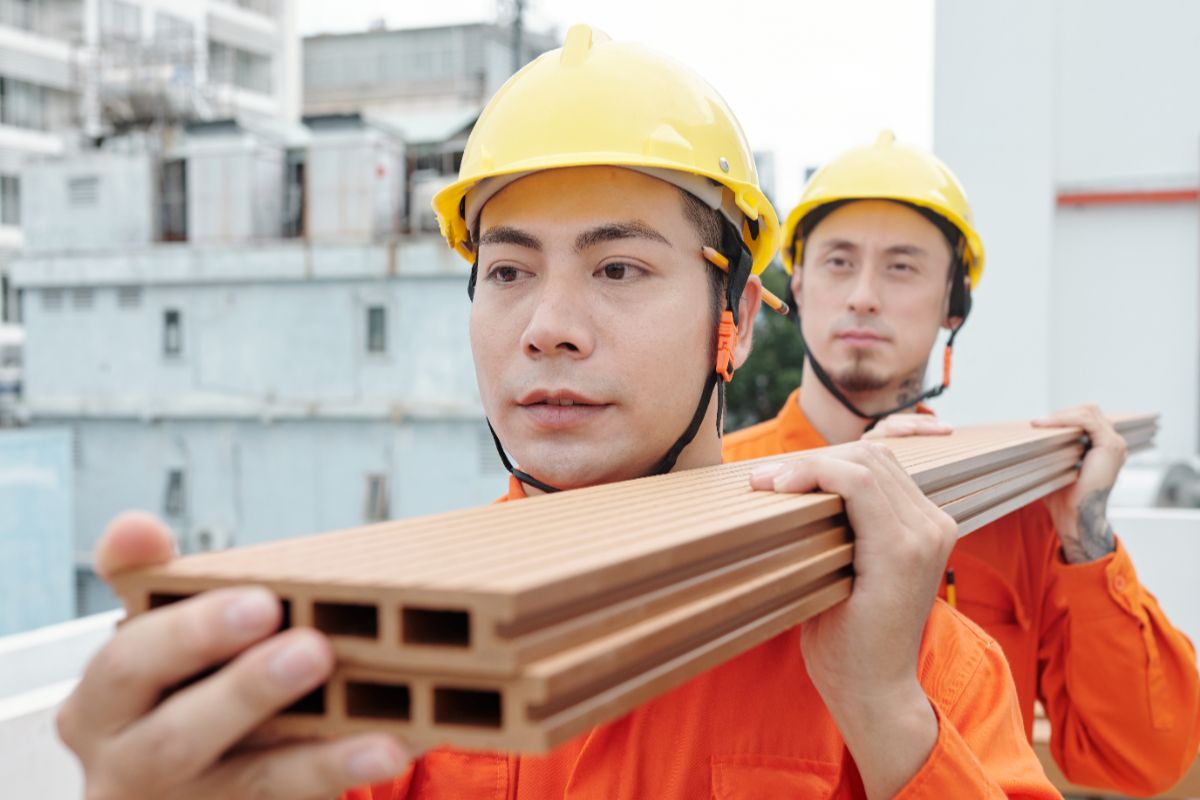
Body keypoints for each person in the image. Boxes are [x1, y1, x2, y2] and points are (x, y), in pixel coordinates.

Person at [57, 29, 1058, 800]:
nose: (548, 329)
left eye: (618, 268)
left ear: (739, 318)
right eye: (508, 271)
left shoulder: (909, 660)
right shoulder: (382, 647)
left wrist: (886, 716)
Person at [724, 131, 1200, 795]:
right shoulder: (716, 486)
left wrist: (1086, 536)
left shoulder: (1016, 510)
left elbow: (1146, 755)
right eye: (838, 261)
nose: (863, 295)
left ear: (955, 304)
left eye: (901, 267)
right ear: (797, 284)